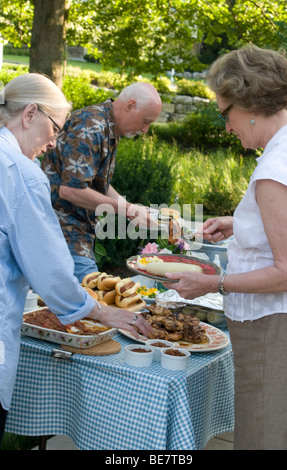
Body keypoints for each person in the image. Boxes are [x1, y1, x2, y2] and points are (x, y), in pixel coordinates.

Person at [0, 73, 153, 445]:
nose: (54, 143)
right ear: (30, 114)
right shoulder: (21, 173)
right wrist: (99, 312)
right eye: (54, 129)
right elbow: (51, 273)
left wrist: (127, 207)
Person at [164, 45, 287, 450]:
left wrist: (215, 283)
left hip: (275, 327)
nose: (226, 126)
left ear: (250, 102)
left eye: (225, 113)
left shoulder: (275, 169)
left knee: (265, 436)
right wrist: (240, 224)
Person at [41, 82, 162, 282]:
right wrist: (127, 209)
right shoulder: (92, 126)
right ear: (130, 105)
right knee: (92, 295)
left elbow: (96, 183)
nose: (146, 129)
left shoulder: (106, 124)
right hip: (61, 230)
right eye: (145, 121)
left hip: (73, 231)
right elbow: (71, 190)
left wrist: (130, 207)